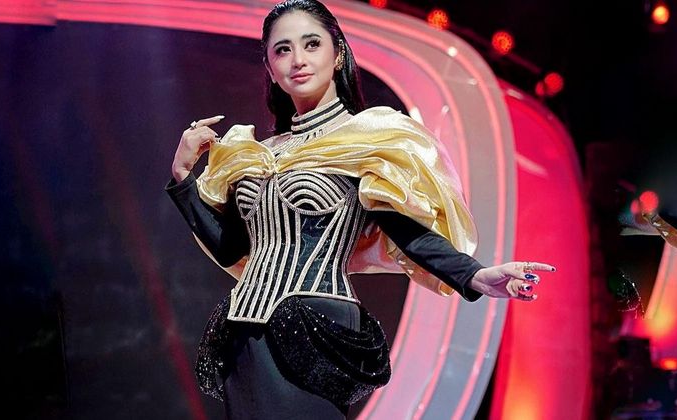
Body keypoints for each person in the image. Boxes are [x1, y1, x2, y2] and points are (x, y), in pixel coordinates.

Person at [166, 1, 555, 418]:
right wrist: (184, 179)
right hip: (242, 332)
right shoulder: (256, 152)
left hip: (315, 325)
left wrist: (474, 275)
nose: (298, 60)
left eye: (311, 44)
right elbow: (231, 250)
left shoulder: (366, 139)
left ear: (337, 54)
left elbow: (408, 232)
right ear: (270, 67)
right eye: (282, 50)